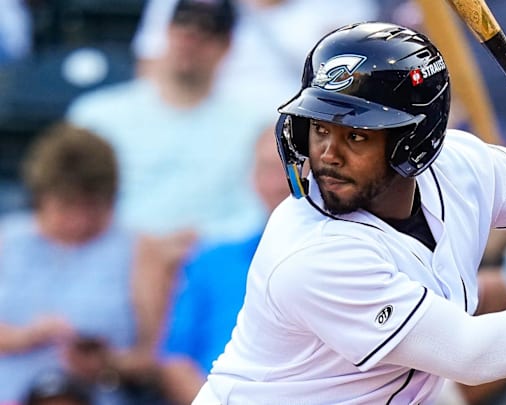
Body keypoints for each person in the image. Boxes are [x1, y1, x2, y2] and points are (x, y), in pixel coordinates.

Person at [191, 22, 506, 404]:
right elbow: (473, 354)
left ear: (413, 142)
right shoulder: (311, 252)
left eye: (356, 135)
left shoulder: (455, 166)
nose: (327, 155)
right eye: (320, 129)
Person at [0, 122, 184, 405]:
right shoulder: (6, 241)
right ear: (40, 198)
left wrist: (108, 364)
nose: (79, 221)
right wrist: (25, 337)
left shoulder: (140, 249)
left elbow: (156, 358)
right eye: (65, 207)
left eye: (92, 208)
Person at [66, 0, 271, 244]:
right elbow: (72, 200)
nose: (189, 41)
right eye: (182, 27)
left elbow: (254, 211)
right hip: (111, 254)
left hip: (206, 259)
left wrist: (198, 242)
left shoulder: (254, 126)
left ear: (226, 45)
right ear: (166, 32)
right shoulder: (96, 115)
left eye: (205, 34)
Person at [157, 123, 288, 404]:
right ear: (252, 178)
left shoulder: (345, 261)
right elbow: (174, 360)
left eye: (288, 169)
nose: (277, 184)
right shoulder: (210, 261)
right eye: (267, 169)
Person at [131, 0, 380, 110]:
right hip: (206, 124)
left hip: (299, 132)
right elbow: (151, 71)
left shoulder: (343, 4)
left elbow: (355, 80)